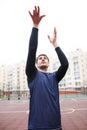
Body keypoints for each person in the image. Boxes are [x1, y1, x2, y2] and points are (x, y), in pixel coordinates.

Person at [25, 6, 69, 130]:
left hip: (55, 126)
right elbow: (32, 50)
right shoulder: (32, 74)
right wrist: (35, 26)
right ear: (36, 63)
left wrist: (55, 44)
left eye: (45, 58)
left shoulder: (54, 77)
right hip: (36, 127)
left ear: (48, 63)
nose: (43, 58)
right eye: (40, 58)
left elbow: (65, 64)